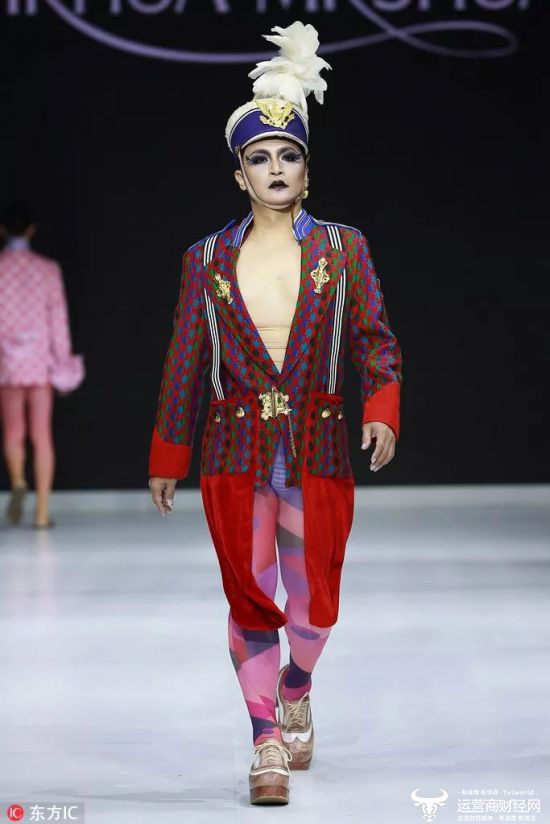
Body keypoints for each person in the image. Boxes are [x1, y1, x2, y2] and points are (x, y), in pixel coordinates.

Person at [149, 21, 403, 806]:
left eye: (288, 154)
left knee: (316, 605)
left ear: (307, 168)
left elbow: (375, 338)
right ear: (240, 176)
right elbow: (186, 358)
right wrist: (168, 454)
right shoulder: (206, 259)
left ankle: (298, 683)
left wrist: (383, 407)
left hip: (319, 445)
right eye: (259, 158)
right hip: (234, 452)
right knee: (249, 593)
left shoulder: (343, 249)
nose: (275, 168)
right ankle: (265, 738)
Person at [0, 201, 84, 528]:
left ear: (3, 230)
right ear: (32, 230)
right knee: (42, 435)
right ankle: (41, 513)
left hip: (7, 360)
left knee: (13, 431)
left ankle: (19, 480)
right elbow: (58, 321)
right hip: (39, 360)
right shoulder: (47, 270)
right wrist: (63, 364)